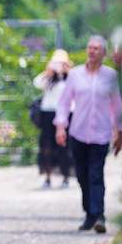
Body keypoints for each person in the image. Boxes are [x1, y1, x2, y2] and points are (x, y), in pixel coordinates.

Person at [54, 35, 122, 234]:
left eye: (97, 48)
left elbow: (117, 105)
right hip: (78, 132)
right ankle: (89, 214)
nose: (92, 51)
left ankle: (99, 215)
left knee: (95, 174)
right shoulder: (75, 75)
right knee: (82, 176)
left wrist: (119, 132)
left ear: (104, 53)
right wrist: (61, 127)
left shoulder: (110, 76)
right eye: (90, 47)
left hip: (101, 134)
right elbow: (64, 102)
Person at [33, 49, 73, 189]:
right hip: (48, 113)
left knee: (65, 147)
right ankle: (48, 177)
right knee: (46, 146)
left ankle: (66, 177)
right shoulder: (49, 79)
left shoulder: (70, 78)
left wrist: (68, 71)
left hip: (66, 114)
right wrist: (48, 72)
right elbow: (36, 83)